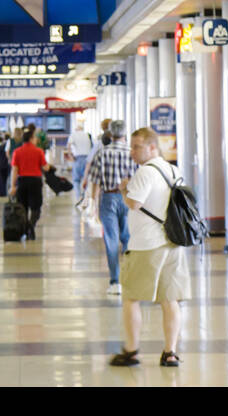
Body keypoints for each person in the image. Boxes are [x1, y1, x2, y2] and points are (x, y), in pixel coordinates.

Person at [110, 127, 190, 369]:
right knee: (169, 299)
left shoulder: (145, 172)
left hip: (146, 245)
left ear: (152, 147)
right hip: (173, 243)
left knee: (131, 297)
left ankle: (132, 350)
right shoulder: (173, 169)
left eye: (137, 147)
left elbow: (134, 203)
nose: (132, 151)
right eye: (132, 146)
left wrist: (125, 187)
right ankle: (170, 352)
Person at [83, 119, 134, 295]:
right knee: (128, 238)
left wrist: (93, 204)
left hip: (108, 197)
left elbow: (95, 181)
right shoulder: (131, 153)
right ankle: (130, 278)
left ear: (110, 134)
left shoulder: (102, 153)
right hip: (128, 198)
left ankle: (115, 282)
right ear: (125, 133)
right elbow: (137, 179)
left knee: (111, 239)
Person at [9, 128, 50, 239]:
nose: (36, 139)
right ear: (31, 139)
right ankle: (31, 227)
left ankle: (27, 228)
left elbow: (14, 170)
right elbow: (45, 167)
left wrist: (12, 186)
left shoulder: (17, 152)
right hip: (35, 181)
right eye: (35, 137)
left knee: (23, 207)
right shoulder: (39, 151)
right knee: (36, 207)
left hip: (22, 181)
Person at [67, 119, 94, 202]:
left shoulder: (73, 135)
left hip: (78, 159)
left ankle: (79, 198)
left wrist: (70, 155)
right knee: (86, 180)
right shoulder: (87, 135)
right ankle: (85, 198)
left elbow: (69, 145)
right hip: (87, 160)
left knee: (76, 180)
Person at [0, 132, 12, 197]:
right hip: (8, 165)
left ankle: (3, 193)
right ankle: (9, 194)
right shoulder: (11, 146)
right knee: (10, 179)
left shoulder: (1, 146)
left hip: (1, 165)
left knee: (2, 180)